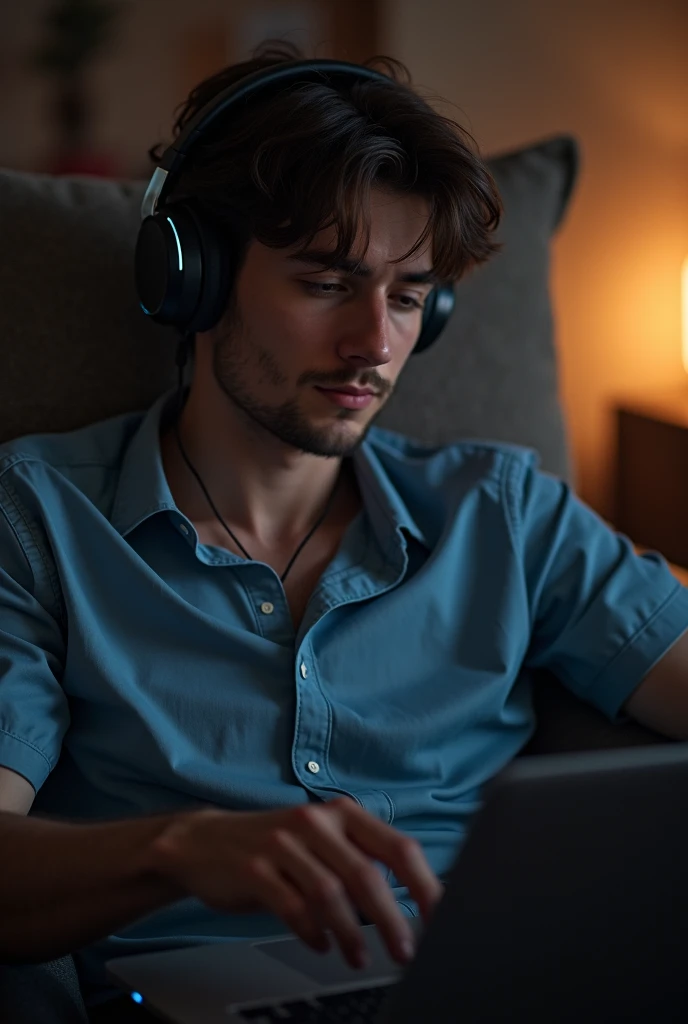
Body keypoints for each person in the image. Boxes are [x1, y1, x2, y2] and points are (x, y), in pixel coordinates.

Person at [1, 40, 688, 1020]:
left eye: (408, 297)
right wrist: (180, 848)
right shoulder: (37, 519)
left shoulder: (502, 514)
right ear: (190, 278)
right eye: (326, 282)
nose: (373, 342)